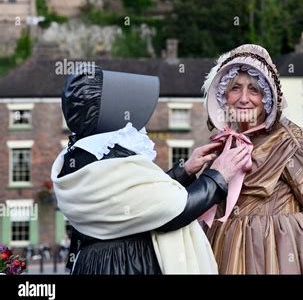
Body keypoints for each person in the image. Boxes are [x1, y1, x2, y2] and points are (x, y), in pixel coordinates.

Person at [51, 66, 249, 274]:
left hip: (99, 263)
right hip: (124, 264)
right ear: (104, 110)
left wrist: (185, 171)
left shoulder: (81, 156)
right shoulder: (107, 158)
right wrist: (218, 174)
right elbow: (173, 211)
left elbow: (137, 201)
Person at [201, 44, 303, 274]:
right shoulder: (223, 143)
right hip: (226, 251)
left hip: (280, 252)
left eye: (254, 90)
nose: (244, 98)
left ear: (267, 96)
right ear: (224, 94)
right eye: (235, 88)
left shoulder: (289, 140)